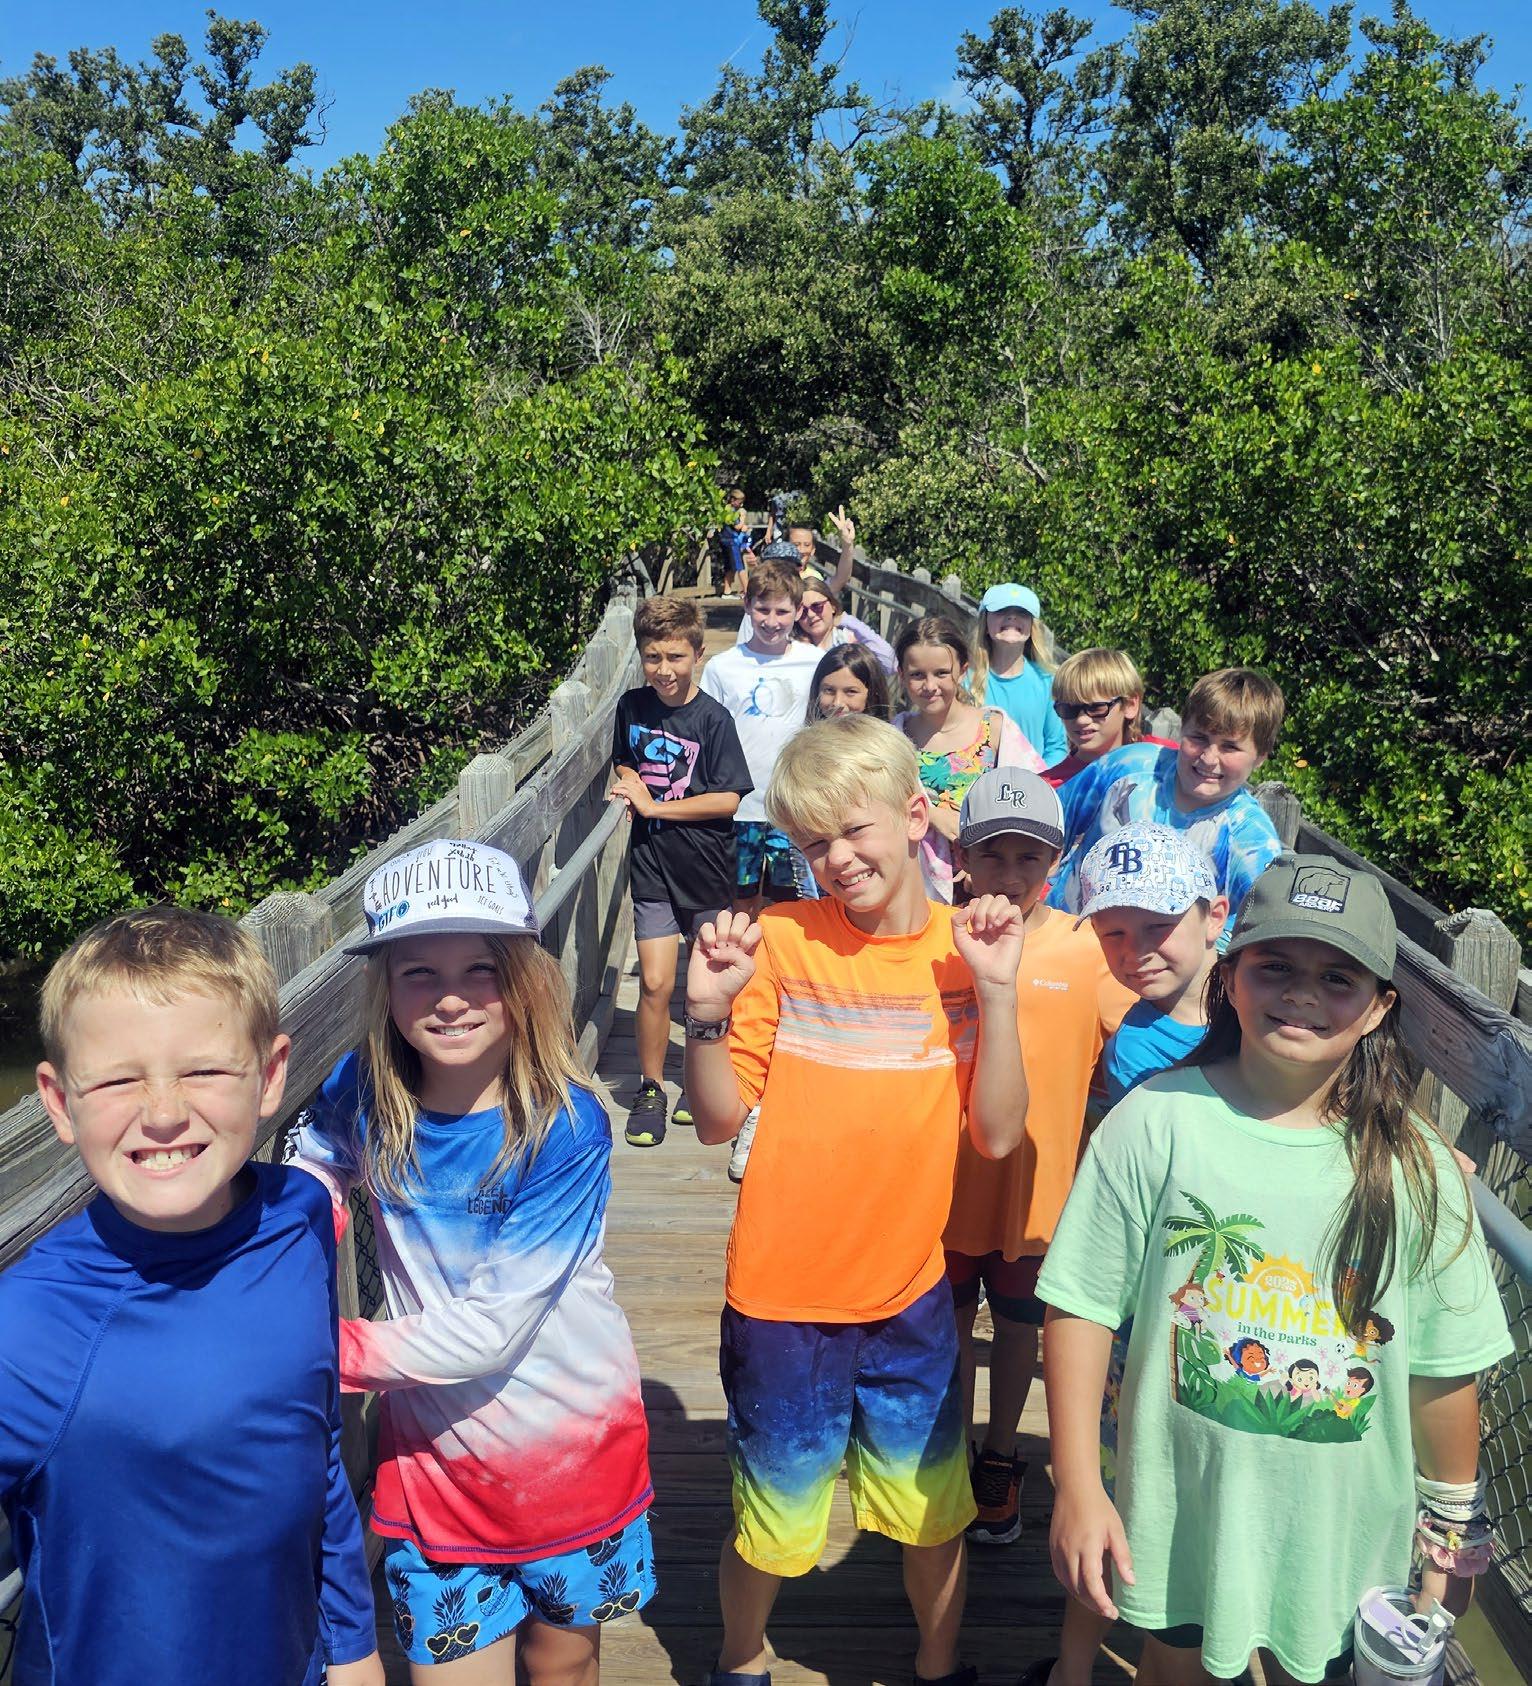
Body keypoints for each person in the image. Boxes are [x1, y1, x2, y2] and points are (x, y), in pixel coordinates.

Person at [1037, 854, 1512, 1686]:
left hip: (1343, 1543)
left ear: (1380, 1007)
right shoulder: (1152, 1122)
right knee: (1172, 1660)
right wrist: (1079, 1484)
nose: (1302, 994)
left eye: (1337, 978)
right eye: (1276, 967)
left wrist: (1450, 1532)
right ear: (1229, 978)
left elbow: (1445, 1369)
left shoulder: (1421, 1169)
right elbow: (1079, 1305)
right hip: (1176, 1509)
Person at [682, 713, 1030, 1686]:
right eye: (811, 843)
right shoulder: (780, 943)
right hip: (780, 1298)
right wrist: (704, 1016)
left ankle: (937, 1665)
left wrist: (998, 994)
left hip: (911, 1296)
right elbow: (717, 1121)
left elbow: (998, 1134)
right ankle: (740, 1660)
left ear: (915, 814)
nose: (834, 859)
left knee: (932, 1513)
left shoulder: (968, 951)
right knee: (773, 1522)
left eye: (852, 830)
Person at [290, 839, 655, 1686]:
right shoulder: (362, 1089)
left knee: (563, 1663)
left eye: (480, 970)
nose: (450, 998)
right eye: (418, 973)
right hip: (435, 1468)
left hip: (572, 1455)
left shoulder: (566, 1125)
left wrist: (310, 1346)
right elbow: (312, 1176)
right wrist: (281, 1247)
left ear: (522, 977)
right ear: (385, 986)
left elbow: (491, 1331)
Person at [7, 906, 380, 1686]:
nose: (165, 1113)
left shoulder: (300, 1219)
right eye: (118, 1079)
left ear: (270, 1075)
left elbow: (315, 1442)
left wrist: (352, 1646)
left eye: (204, 1071)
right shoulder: (28, 1323)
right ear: (59, 1101)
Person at [1024, 822, 1228, 1686]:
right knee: (1125, 1491)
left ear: (1215, 916)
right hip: (1152, 1303)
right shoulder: (1143, 1041)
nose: (1134, 950)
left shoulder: (1268, 1011)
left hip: (1214, 1302)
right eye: (1112, 932)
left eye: (1157, 926)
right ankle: (1076, 1667)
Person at [941, 770, 1134, 1548]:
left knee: (1023, 1329)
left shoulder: (1090, 949)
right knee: (949, 1327)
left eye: (1030, 856)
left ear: (1058, 861)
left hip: (1042, 1194)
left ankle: (1001, 1453)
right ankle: (950, 1452)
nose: (1010, 873)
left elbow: (1156, 1038)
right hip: (945, 1187)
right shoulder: (935, 942)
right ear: (962, 857)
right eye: (993, 854)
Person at [611, 595, 753, 1148]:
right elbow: (625, 758)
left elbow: (728, 799)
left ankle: (701, 1081)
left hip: (705, 867)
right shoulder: (631, 706)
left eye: (675, 657)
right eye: (652, 657)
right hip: (651, 863)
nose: (664, 669)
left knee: (704, 984)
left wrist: (655, 808)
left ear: (698, 654)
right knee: (654, 983)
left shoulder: (714, 720)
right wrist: (629, 780)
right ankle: (651, 1088)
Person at [1046, 667, 1286, 928]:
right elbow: (1049, 823)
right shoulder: (1129, 767)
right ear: (1183, 730)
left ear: (1260, 756)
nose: (1208, 758)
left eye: (1230, 746)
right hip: (1062, 931)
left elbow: (1251, 930)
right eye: (1198, 738)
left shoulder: (1250, 839)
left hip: (1145, 955)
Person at [701, 561, 823, 918]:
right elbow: (705, 734)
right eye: (762, 609)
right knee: (741, 898)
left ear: (798, 611)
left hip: (794, 805)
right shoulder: (722, 667)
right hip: (738, 807)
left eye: (782, 611)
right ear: (746, 605)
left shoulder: (816, 662)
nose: (772, 621)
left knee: (792, 898)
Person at [894, 615, 1043, 903]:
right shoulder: (893, 740)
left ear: (962, 671)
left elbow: (1031, 798)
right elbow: (878, 803)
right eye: (917, 675)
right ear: (901, 674)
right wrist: (933, 814)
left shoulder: (995, 729)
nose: (930, 685)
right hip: (915, 888)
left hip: (992, 887)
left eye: (941, 673)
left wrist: (981, 861)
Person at [1043, 648, 1176, 790]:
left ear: (1130, 705)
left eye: (1096, 707)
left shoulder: (1168, 759)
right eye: (1068, 709)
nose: (1081, 720)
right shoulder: (1046, 789)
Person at [970, 584, 1067, 766]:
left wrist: (1039, 778)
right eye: (1001, 611)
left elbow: (1056, 747)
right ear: (985, 623)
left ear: (1032, 626)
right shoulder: (966, 680)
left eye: (1022, 613)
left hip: (1033, 779)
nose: (1012, 617)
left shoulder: (1048, 681)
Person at [734, 507, 857, 642]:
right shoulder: (758, 606)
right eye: (778, 564)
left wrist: (847, 545)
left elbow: (840, 579)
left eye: (806, 544)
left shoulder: (809, 585)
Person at [794, 578, 897, 674]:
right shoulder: (794, 647)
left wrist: (847, 620)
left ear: (833, 606)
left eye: (817, 606)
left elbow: (890, 664)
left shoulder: (850, 640)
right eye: (803, 611)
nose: (811, 615)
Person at [805, 642, 892, 722]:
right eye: (829, 690)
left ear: (873, 694)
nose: (837, 703)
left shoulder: (886, 734)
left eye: (851, 691)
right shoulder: (809, 734)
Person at [719, 487, 756, 595]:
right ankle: (748, 591)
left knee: (730, 567)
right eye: (739, 502)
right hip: (732, 541)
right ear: (732, 500)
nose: (741, 505)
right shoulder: (730, 511)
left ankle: (727, 591)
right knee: (740, 566)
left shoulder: (727, 509)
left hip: (727, 539)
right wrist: (743, 518)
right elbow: (737, 526)